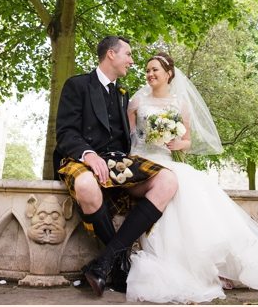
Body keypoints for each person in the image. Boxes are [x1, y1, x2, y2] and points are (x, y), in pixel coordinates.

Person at [124, 52, 258, 303]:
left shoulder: (179, 104)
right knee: (174, 186)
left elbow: (187, 140)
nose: (150, 74)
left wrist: (177, 143)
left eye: (155, 70)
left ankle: (206, 266)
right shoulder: (136, 100)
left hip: (166, 161)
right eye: (147, 70)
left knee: (193, 190)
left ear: (168, 74)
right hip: (142, 163)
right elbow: (129, 137)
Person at [54, 35, 178, 296]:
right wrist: (87, 155)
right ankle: (119, 267)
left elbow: (124, 139)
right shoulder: (77, 85)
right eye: (128, 55)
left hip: (116, 160)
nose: (132, 61)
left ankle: (104, 263)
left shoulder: (122, 94)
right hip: (80, 158)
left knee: (168, 180)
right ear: (111, 54)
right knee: (86, 184)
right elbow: (65, 133)